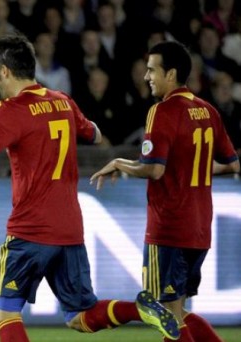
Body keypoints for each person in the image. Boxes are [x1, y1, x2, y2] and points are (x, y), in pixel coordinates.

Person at [0, 34, 180, 342]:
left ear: (5, 71)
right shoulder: (62, 100)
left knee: (6, 312)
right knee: (80, 316)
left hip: (30, 229)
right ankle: (139, 310)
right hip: (69, 228)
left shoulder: (11, 109)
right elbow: (94, 133)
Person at [90, 41, 240, 342]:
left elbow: (153, 169)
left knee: (166, 315)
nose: (147, 77)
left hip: (169, 229)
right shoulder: (208, 111)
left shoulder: (162, 111)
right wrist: (189, 169)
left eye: (151, 70)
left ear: (171, 74)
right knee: (178, 311)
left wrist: (120, 162)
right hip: (199, 229)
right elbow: (232, 164)